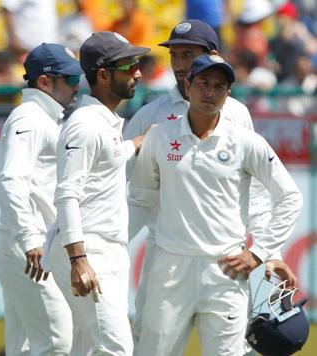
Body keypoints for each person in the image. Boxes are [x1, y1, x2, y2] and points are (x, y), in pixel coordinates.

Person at [123, 20, 298, 347]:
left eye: (187, 55)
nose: (178, 64)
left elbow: (255, 193)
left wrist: (265, 253)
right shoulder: (151, 119)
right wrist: (107, 247)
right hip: (167, 257)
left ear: (213, 56)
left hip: (225, 262)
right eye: (174, 56)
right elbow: (137, 195)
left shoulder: (238, 118)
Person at [47, 32, 147, 355]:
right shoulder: (86, 124)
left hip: (108, 251)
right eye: (129, 65)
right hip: (88, 252)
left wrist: (140, 141)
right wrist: (79, 260)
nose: (138, 72)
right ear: (103, 75)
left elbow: (112, 156)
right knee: (116, 348)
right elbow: (67, 194)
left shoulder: (104, 123)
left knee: (88, 349)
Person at [0, 42, 83, 356]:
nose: (76, 87)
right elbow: (12, 179)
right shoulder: (29, 118)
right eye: (71, 80)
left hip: (30, 245)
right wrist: (31, 239)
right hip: (29, 247)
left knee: (26, 346)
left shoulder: (41, 118)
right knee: (58, 342)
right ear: (44, 82)